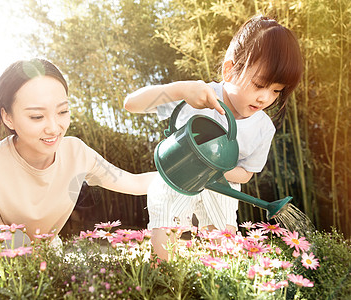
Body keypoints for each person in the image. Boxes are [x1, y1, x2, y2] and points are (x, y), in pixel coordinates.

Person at [124, 15, 303, 259]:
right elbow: (131, 103)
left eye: (275, 91)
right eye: (259, 84)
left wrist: (215, 168)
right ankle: (163, 276)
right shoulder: (199, 96)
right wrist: (180, 90)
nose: (265, 98)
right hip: (178, 177)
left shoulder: (263, 128)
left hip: (221, 188)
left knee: (223, 249)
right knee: (166, 232)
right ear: (229, 70)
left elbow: (246, 173)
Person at [0, 58, 156, 246]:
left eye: (62, 111)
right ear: (7, 117)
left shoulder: (76, 153)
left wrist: (184, 180)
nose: (54, 128)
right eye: (37, 117)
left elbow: (134, 182)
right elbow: (5, 248)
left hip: (45, 258)